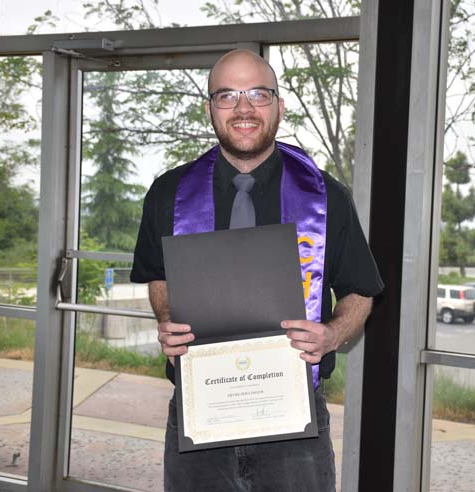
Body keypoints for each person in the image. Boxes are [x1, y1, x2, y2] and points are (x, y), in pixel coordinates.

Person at [130, 49, 383, 492]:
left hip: (294, 423)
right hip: (199, 413)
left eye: (258, 94)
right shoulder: (168, 193)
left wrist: (332, 335)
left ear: (279, 106)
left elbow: (361, 292)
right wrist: (166, 318)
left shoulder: (327, 198)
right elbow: (159, 277)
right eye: (227, 95)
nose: (244, 108)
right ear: (209, 108)